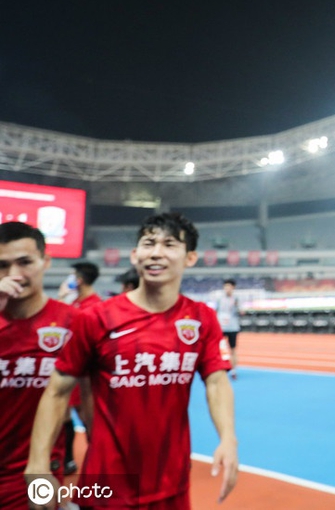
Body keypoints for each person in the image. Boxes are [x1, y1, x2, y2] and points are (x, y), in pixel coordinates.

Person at [27, 212, 238, 509]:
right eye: (148, 243)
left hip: (172, 482)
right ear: (135, 254)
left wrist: (228, 438)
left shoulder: (202, 318)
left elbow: (216, 381)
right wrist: (37, 466)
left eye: (169, 245)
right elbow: (57, 391)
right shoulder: (96, 318)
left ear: (190, 258)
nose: (156, 253)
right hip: (106, 483)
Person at [0, 221, 85, 509]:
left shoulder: (74, 323)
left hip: (35, 475)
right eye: (2, 265)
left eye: (25, 262)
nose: (14, 274)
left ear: (45, 261)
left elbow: (88, 404)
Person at [58, 261, 102, 475]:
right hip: (68, 368)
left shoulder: (95, 307)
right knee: (64, 414)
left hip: (86, 374)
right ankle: (67, 460)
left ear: (79, 280)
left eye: (73, 276)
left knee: (87, 415)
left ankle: (99, 458)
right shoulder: (74, 303)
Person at [215, 279, 241, 380]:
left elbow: (241, 311)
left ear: (233, 288)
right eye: (225, 287)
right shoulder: (220, 299)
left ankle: (233, 371)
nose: (227, 289)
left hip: (233, 327)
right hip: (221, 327)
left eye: (229, 287)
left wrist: (237, 306)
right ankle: (220, 369)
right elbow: (215, 311)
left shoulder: (236, 299)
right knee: (219, 349)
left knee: (232, 349)